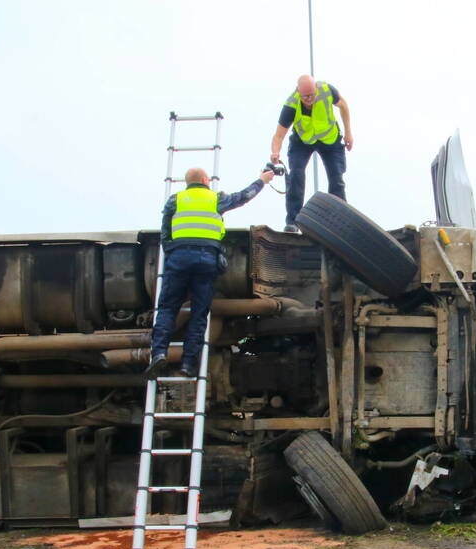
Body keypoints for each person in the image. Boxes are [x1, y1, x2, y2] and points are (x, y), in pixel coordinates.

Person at [146, 166, 275, 380]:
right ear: (206, 180)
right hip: (206, 258)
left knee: (168, 308)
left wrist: (173, 252)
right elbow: (244, 197)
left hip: (179, 257)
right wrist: (262, 180)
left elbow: (165, 233)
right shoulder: (215, 199)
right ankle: (188, 364)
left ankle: (159, 353)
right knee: (199, 313)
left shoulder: (175, 200)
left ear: (187, 183)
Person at [270, 74, 353, 231]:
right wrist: (275, 152)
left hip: (329, 139)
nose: (310, 99)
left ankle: (340, 220)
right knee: (296, 174)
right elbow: (279, 135)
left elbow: (344, 106)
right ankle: (293, 221)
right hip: (303, 141)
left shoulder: (327, 90)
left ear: (316, 88)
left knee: (336, 178)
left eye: (312, 94)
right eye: (305, 96)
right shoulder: (291, 105)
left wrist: (349, 133)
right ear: (298, 93)